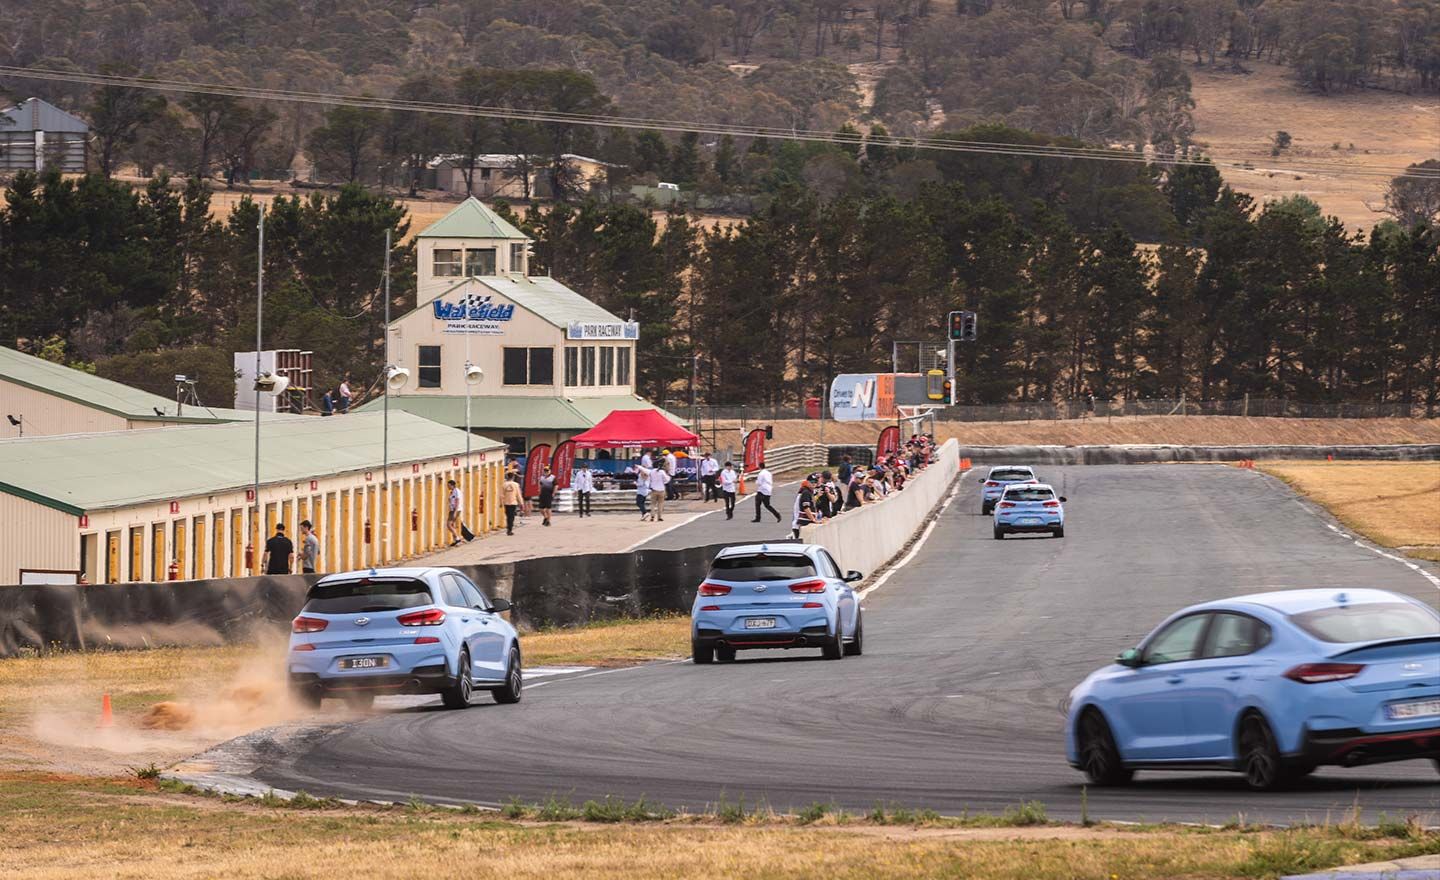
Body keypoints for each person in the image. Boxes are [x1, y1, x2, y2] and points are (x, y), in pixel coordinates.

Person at [791, 474, 820, 539]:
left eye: (815, 482)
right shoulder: (806, 493)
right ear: (807, 482)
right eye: (811, 482)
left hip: (805, 521)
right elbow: (806, 508)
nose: (814, 483)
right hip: (803, 522)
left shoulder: (809, 492)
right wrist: (813, 519)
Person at [446, 479, 463, 546]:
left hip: (455, 510)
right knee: (452, 525)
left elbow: (457, 501)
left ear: (452, 485)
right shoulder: (452, 491)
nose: (448, 487)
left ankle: (457, 538)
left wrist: (455, 511)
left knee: (449, 525)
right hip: (453, 509)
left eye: (449, 485)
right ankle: (455, 540)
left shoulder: (456, 491)